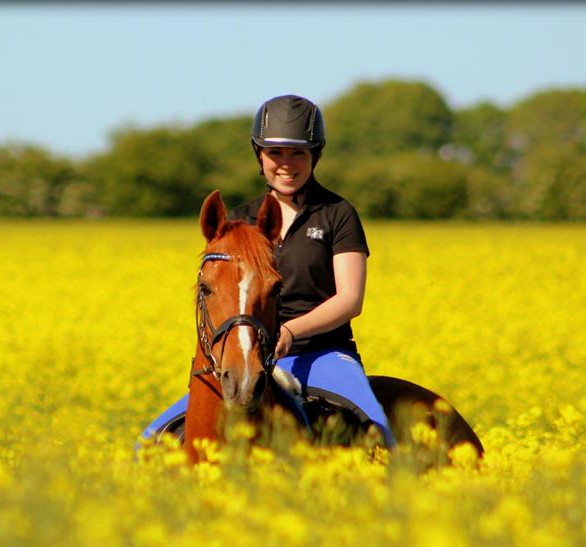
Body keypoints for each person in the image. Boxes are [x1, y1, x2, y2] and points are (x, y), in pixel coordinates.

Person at [139, 94, 395, 448]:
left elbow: (350, 299)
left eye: (298, 153)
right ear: (260, 155)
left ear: (315, 156)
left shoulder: (337, 214)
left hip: (321, 353)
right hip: (247, 354)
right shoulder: (239, 222)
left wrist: (290, 330)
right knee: (149, 443)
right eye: (276, 153)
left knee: (379, 432)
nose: (286, 164)